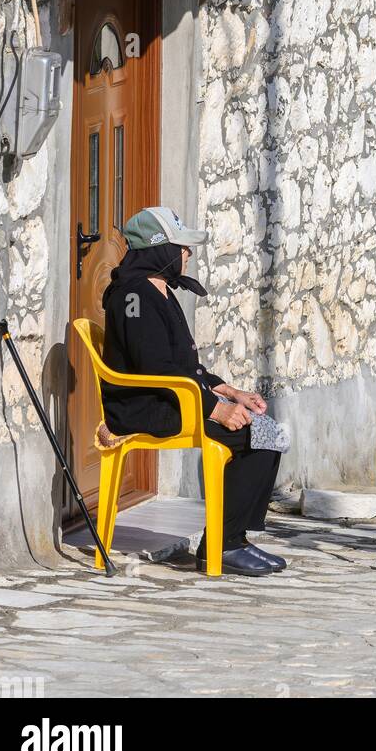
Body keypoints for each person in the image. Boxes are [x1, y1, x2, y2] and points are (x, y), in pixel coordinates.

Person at [101, 206, 285, 578]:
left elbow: (185, 368)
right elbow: (155, 370)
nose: (187, 253)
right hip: (146, 407)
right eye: (181, 247)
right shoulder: (132, 296)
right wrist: (215, 411)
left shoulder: (160, 291)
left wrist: (231, 392)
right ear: (157, 250)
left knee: (267, 429)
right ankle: (223, 543)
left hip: (172, 397)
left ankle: (230, 537)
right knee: (257, 435)